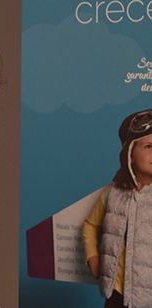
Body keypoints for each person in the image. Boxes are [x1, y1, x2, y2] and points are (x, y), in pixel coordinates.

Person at [82, 109, 152, 308]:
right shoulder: (112, 194)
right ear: (129, 153)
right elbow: (89, 224)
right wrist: (93, 257)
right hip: (117, 294)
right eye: (148, 146)